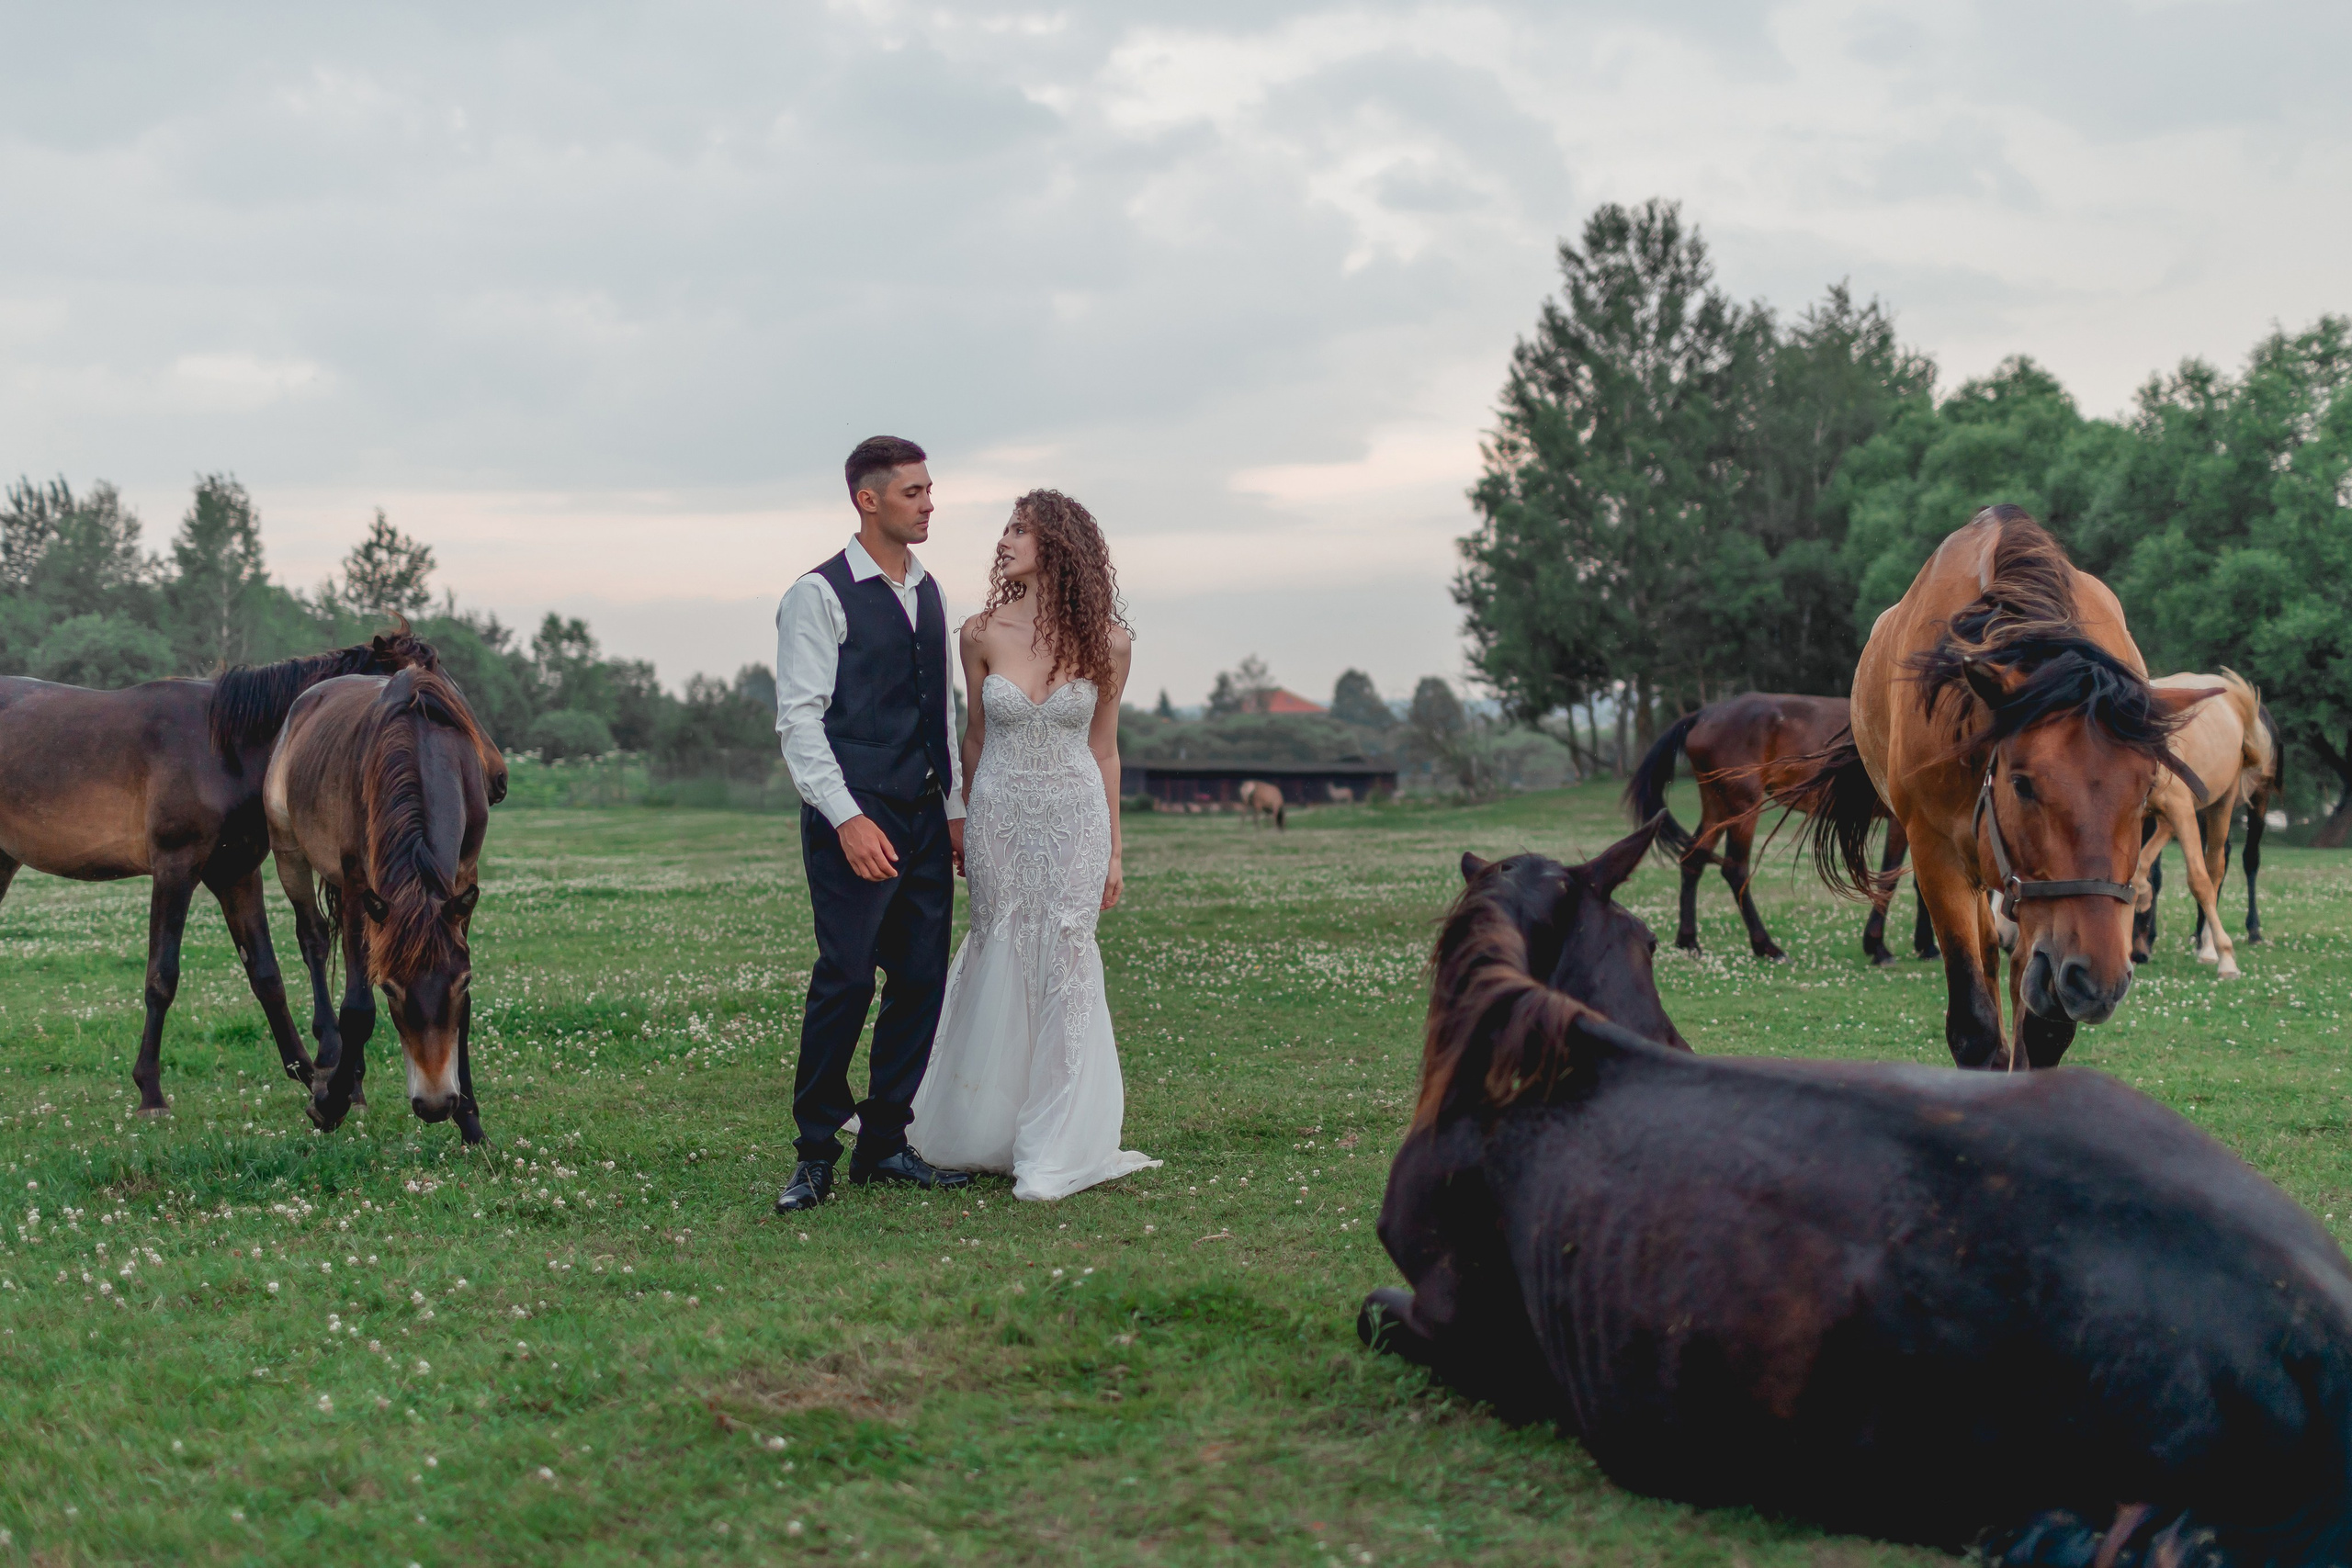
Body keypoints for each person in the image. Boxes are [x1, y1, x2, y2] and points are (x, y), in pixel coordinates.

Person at [907, 490, 1160, 1201]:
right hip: (1000, 815)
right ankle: (981, 1123)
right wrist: (964, 818)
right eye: (1007, 527)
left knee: (1069, 953)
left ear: (1060, 545)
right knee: (1001, 948)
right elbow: (975, 737)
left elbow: (1106, 750)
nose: (1005, 540)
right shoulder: (979, 633)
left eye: (1020, 529)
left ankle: (1056, 1138)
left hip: (1076, 816)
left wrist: (1114, 849)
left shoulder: (1110, 642)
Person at [772, 435, 973, 1213]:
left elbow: (942, 713)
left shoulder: (930, 592)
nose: (929, 504)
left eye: (929, 490)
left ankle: (885, 1142)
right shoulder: (817, 595)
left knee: (920, 980)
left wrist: (953, 814)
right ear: (869, 498)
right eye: (914, 492)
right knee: (848, 979)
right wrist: (849, 819)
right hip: (852, 815)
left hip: (924, 815)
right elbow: (799, 722)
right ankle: (816, 1150)